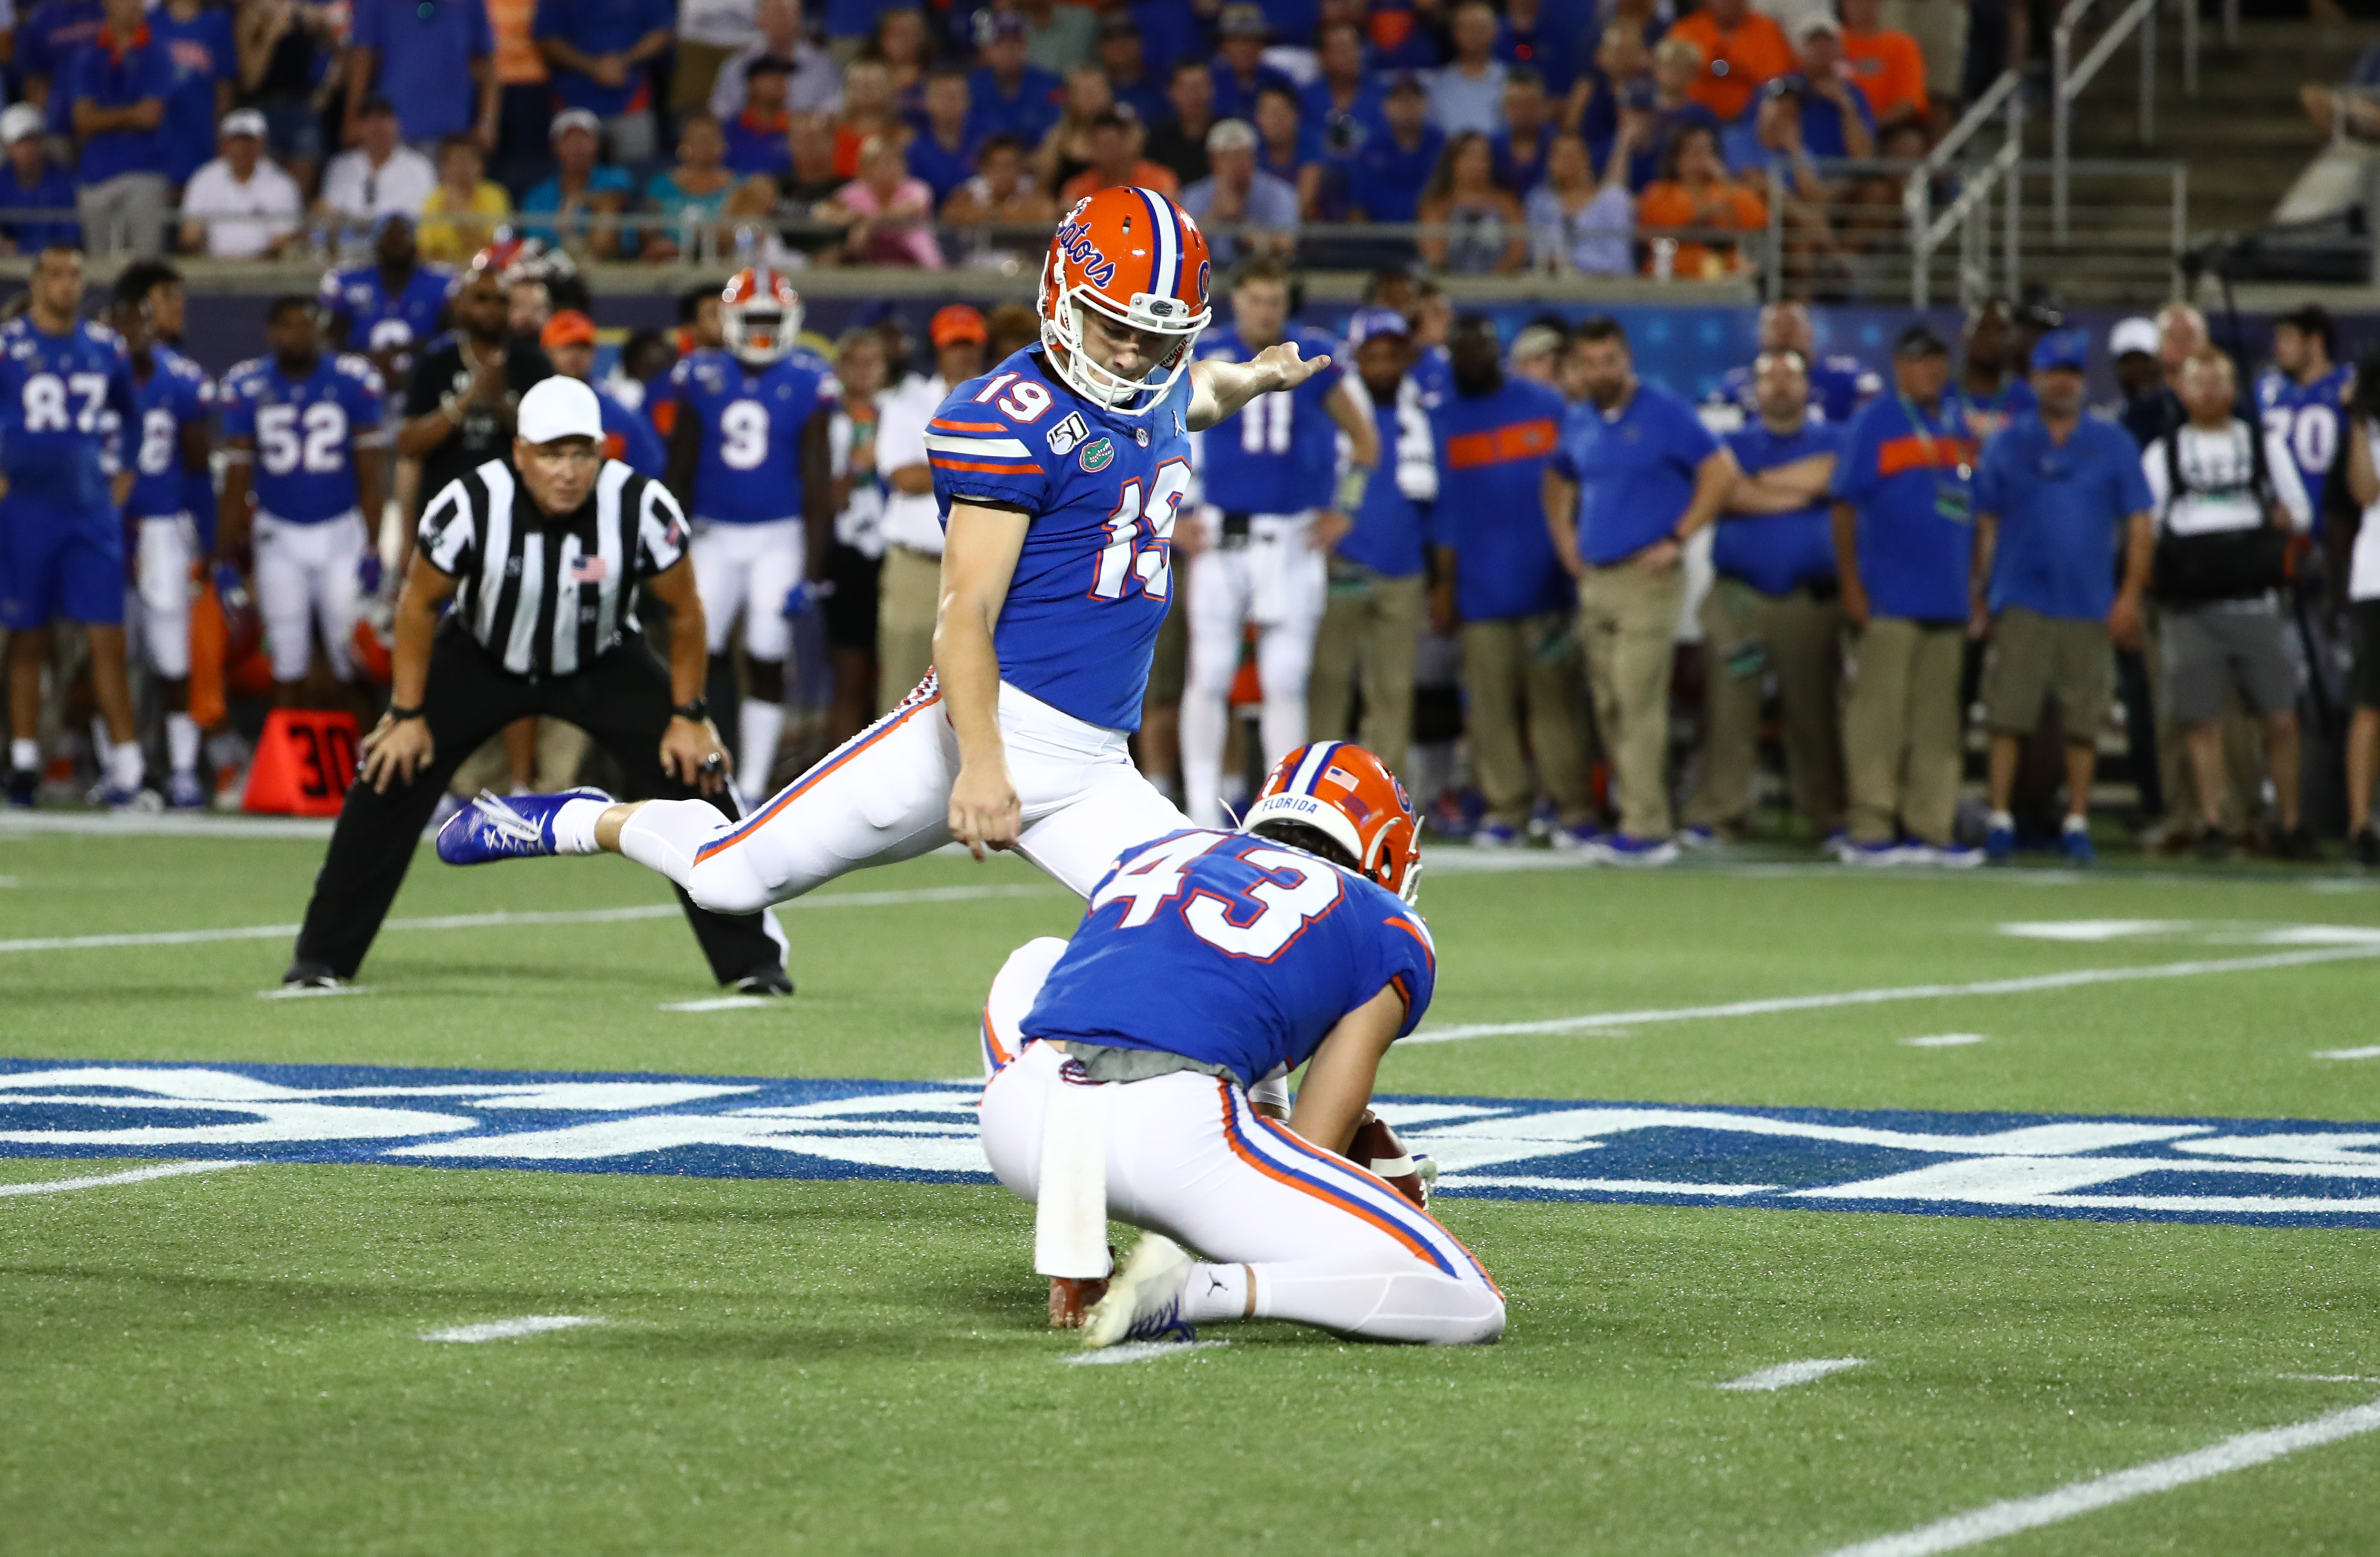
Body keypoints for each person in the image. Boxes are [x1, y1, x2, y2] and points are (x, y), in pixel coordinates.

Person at [431, 187, 1328, 999]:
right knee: (730, 877)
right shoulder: (1009, 416)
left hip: (1095, 763)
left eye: (1156, 334)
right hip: (983, 729)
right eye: (1114, 328)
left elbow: (1194, 391)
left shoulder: (1155, 378)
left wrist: (1257, 375)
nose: (1134, 353)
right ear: (1062, 297)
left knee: (1214, 938)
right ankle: (579, 819)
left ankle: (1295, 1136)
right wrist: (981, 761)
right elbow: (964, 614)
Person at [974, 743, 1504, 1352]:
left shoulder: (1166, 849)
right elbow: (1311, 1144)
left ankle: (1074, 1261)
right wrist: (1378, 1190)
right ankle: (1193, 1291)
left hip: (1026, 1124)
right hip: (1172, 1138)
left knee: (1036, 959)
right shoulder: (1386, 922)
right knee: (1470, 1300)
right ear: (1385, 850)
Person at [287, 377, 792, 995]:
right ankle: (321, 958)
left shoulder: (641, 505)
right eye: (552, 455)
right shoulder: (469, 503)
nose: (567, 471)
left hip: (601, 660)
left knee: (696, 774)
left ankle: (752, 964)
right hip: (482, 656)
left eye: (581, 454)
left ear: (603, 453)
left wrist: (689, 714)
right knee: (389, 770)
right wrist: (406, 712)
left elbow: (684, 611)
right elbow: (418, 605)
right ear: (520, 453)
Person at [1182, 254, 1379, 828]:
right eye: (1256, 299)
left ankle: (1276, 813)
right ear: (1236, 299)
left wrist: (1344, 510)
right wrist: (1170, 517)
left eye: (1274, 300)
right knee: (1210, 673)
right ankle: (1200, 814)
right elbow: (1155, 433)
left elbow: (1364, 442)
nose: (1266, 311)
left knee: (1285, 679)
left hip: (1292, 536)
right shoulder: (1204, 350)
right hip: (1219, 532)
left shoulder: (1314, 356)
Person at [1544, 316, 1733, 864]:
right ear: (1577, 367)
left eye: (1610, 360)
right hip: (1596, 578)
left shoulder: (1665, 411)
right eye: (1590, 362)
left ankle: (1645, 825)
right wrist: (1564, 539)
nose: (1601, 371)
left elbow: (1719, 473)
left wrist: (1677, 538)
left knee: (1636, 698)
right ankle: (1632, 809)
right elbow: (1556, 477)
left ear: (1626, 359)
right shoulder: (1579, 419)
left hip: (1646, 578)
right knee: (1607, 702)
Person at [1970, 329, 2156, 866]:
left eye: (2071, 373)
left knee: (2082, 718)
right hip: (2020, 596)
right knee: (2007, 714)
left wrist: (2128, 595)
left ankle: (2076, 818)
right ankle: (2001, 817)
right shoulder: (2007, 441)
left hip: (2086, 599)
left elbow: (2139, 523)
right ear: (2033, 380)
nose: (2061, 382)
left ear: (2082, 380)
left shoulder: (2112, 442)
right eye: (2053, 373)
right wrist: (1979, 590)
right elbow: (1984, 519)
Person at [648, 268, 835, 784]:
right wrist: (667, 544)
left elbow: (818, 483)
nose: (760, 331)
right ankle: (690, 764)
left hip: (779, 535)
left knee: (767, 651)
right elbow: (678, 470)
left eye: (769, 320)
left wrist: (812, 571)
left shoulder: (808, 378)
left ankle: (751, 784)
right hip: (712, 532)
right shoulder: (699, 374)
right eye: (751, 319)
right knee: (694, 646)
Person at [2142, 350, 2316, 861]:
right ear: (2182, 390)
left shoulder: (2263, 446)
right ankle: (2213, 821)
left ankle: (2287, 820)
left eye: (2221, 381)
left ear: (2235, 388)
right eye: (2201, 382)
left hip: (2254, 600)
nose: (2212, 391)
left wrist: (2282, 520)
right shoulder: (2164, 452)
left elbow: (2300, 512)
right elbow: (2148, 523)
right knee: (2202, 718)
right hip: (2192, 602)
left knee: (2280, 717)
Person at [1681, 346, 1847, 848]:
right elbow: (1722, 490)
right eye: (1768, 377)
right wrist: (1799, 492)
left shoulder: (1834, 437)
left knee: (1814, 711)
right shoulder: (1728, 442)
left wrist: (1755, 486)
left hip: (1810, 602)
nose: (1778, 385)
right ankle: (1720, 811)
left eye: (1789, 377)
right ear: (1753, 389)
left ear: (1807, 387)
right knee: (1730, 710)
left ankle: (1827, 813)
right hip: (1739, 598)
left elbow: (1832, 475)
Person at [1436, 316, 1590, 846]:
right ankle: (1506, 810)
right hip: (1479, 592)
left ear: (1497, 351)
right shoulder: (1444, 419)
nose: (1473, 356)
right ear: (1452, 355)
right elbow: (1445, 516)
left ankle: (1571, 807)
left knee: (1556, 707)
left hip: (1548, 586)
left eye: (1481, 346)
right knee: (1491, 710)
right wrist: (1445, 586)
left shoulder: (1547, 406)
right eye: (1463, 348)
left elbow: (1579, 486)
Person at [1831, 325, 1982, 866]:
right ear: (1899, 367)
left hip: (1947, 599)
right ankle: (1871, 826)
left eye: (1939, 361)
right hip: (1888, 597)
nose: (1932, 372)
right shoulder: (1875, 422)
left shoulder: (1957, 426)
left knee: (1938, 724)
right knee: (1877, 719)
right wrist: (1850, 582)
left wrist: (1976, 588)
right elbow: (1844, 506)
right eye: (1920, 362)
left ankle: (1930, 827)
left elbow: (1973, 512)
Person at [0, 248, 142, 810]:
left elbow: (131, 416)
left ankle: (128, 767)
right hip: (27, 508)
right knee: (28, 637)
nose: (66, 285)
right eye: (55, 275)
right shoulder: (8, 344)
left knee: (106, 635)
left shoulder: (106, 346)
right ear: (36, 283)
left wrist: (124, 479)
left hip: (88, 508)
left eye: (75, 275)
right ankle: (26, 762)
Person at [217, 297, 388, 707]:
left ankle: (366, 764)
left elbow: (371, 475)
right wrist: (223, 557)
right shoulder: (247, 385)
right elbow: (236, 479)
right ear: (272, 333)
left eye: (307, 323)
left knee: (353, 653)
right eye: (289, 325)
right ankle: (289, 765)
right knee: (286, 657)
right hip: (278, 533)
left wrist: (374, 546)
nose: (299, 333)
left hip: (341, 531)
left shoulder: (353, 380)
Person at [1310, 307, 1434, 788]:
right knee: (1328, 686)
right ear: (1355, 356)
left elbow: (1434, 498)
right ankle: (1316, 795)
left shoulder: (1424, 409)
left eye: (1392, 355)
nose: (1383, 366)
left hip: (1403, 570)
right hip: (1340, 566)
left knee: (1393, 693)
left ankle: (1383, 800)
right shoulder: (1330, 408)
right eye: (1373, 355)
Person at [107, 279, 215, 809]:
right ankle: (118, 768)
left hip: (162, 527)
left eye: (140, 322)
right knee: (108, 654)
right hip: (100, 525)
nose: (130, 335)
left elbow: (197, 470)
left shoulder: (180, 379)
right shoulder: (88, 378)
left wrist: (211, 541)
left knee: (172, 657)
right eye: (121, 324)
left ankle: (182, 769)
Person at [395, 260, 553, 557]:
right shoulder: (434, 363)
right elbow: (409, 445)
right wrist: (465, 402)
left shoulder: (534, 364)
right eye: (481, 299)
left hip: (517, 518)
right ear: (460, 306)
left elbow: (549, 443)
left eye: (501, 301)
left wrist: (500, 402)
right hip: (446, 516)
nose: (491, 308)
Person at [872, 303, 986, 711]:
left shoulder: (1002, 402)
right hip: (918, 566)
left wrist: (940, 464)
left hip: (982, 566)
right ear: (937, 349)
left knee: (976, 694)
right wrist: (982, 466)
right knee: (903, 692)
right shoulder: (908, 403)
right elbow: (905, 478)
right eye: (954, 345)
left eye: (970, 344)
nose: (963, 354)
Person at [821, 327, 888, 747]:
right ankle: (836, 776)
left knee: (895, 673)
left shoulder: (906, 414)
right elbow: (816, 500)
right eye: (854, 361)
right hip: (845, 554)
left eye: (872, 361)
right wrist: (853, 469)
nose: (863, 370)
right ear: (840, 368)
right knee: (850, 673)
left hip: (894, 553)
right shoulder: (822, 422)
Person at [68, 0, 176, 257]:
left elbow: (150, 116)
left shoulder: (157, 52)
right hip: (96, 176)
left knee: (145, 269)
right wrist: (132, 113)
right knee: (99, 270)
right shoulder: (88, 55)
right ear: (109, 4)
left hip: (144, 172)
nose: (135, 5)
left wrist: (100, 117)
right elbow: (82, 121)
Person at [531, 0, 672, 164]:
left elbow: (662, 31)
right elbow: (546, 39)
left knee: (636, 174)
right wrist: (593, 67)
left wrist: (623, 62)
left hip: (631, 100)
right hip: (573, 104)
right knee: (573, 174)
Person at [346, 0, 497, 151]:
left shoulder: (471, 4)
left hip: (454, 135)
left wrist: (488, 121)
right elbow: (362, 60)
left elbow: (487, 65)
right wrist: (352, 118)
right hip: (391, 129)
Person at [2256, 304, 2352, 532]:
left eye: (2287, 338)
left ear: (2315, 341)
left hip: (2340, 523)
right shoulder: (2267, 390)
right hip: (2282, 528)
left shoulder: (2349, 386)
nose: (2278, 348)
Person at [1716, 302, 1882, 428]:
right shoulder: (1736, 384)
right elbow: (1717, 441)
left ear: (1810, 333)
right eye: (1777, 326)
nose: (1785, 335)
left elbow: (1874, 429)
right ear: (1762, 337)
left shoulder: (1850, 375)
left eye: (1792, 325)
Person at [541, 310, 663, 478]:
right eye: (566, 347)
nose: (575, 356)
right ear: (547, 353)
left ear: (594, 353)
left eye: (583, 347)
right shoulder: (534, 404)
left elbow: (651, 466)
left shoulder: (618, 412)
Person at [1635, 124, 1767, 279]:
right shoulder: (1661, 191)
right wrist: (1703, 213)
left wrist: (1724, 179)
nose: (1702, 159)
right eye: (1695, 152)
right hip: (1672, 278)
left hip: (1721, 278)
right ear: (1677, 158)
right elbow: (1660, 221)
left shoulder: (1725, 191)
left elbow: (1757, 218)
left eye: (1707, 151)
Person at [318, 214, 454, 358]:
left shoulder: (444, 282)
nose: (396, 243)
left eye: (402, 236)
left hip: (426, 371)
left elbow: (455, 338)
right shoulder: (345, 280)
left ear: (416, 241)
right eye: (390, 237)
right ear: (376, 242)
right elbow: (331, 341)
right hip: (358, 371)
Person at [178, 108, 302, 259]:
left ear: (261, 143)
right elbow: (190, 234)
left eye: (249, 141)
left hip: (265, 268)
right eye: (236, 141)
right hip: (214, 267)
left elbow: (284, 238)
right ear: (224, 143)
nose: (243, 148)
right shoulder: (204, 179)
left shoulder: (281, 183)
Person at [2341, 394, 2380, 866]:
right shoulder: (2370, 434)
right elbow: (2364, 491)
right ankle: (2359, 824)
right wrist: (2357, 423)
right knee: (2372, 705)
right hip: (2378, 581)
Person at [1181, 119, 1300, 268]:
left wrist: (1239, 221)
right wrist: (1216, 213)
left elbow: (1286, 246)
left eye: (1243, 156)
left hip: (1265, 274)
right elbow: (1184, 248)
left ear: (1254, 158)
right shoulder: (1195, 195)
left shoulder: (1280, 193)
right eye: (1227, 157)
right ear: (1214, 161)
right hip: (1209, 276)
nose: (1237, 164)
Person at [519, 110, 637, 260]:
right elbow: (537, 243)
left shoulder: (617, 178)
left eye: (584, 139)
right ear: (556, 147)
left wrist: (578, 200)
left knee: (606, 209)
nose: (577, 147)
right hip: (557, 266)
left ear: (596, 145)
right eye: (569, 140)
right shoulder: (537, 197)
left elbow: (622, 198)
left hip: (611, 263)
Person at [817, 133, 944, 269]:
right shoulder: (855, 192)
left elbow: (912, 208)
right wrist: (852, 218)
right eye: (881, 163)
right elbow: (821, 211)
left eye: (894, 162)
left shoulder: (916, 188)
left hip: (919, 264)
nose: (889, 168)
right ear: (865, 168)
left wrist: (869, 223)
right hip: (871, 265)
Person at [152, 0, 239, 193]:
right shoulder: (149, 21)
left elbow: (224, 89)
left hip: (200, 133)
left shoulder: (218, 23)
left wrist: (219, 139)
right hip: (158, 133)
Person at [1346, 73, 1445, 235]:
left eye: (1413, 99)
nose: (1407, 106)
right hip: (1380, 240)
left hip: (1431, 236)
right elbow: (1357, 205)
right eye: (1400, 100)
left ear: (1425, 105)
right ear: (1386, 107)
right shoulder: (1371, 148)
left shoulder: (1440, 145)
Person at [1664, 0, 1792, 125]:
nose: (1727, 2)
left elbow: (1777, 81)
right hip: (1692, 120)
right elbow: (1669, 74)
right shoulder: (1687, 29)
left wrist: (1738, 71)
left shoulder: (1767, 30)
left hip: (1751, 120)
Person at [710, 0, 842, 121]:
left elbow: (834, 111)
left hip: (804, 141)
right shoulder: (737, 66)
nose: (778, 21)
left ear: (798, 18)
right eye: (770, 13)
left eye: (783, 14)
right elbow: (720, 111)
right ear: (758, 19)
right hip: (751, 139)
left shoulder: (823, 66)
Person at [1416, 130, 1526, 276]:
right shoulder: (1437, 205)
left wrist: (1492, 281)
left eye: (1484, 158)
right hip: (1451, 285)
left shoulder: (1506, 203)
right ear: (1454, 161)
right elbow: (1434, 254)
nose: (1479, 164)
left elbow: (1518, 250)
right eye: (1471, 156)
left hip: (1499, 287)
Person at [1526, 130, 1632, 276]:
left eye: (1574, 156)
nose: (1568, 163)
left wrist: (1576, 266)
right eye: (1561, 156)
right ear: (1550, 162)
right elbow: (1536, 253)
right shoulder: (1539, 201)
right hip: (1556, 288)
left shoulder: (1614, 199)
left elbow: (1619, 257)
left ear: (1587, 159)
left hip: (1608, 288)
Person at [640, 115, 745, 263]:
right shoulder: (661, 184)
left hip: (724, 262)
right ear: (683, 145)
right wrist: (657, 243)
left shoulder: (740, 186)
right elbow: (648, 227)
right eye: (698, 140)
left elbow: (744, 231)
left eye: (710, 140)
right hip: (670, 263)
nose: (704, 146)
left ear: (723, 145)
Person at [317, 96, 438, 224]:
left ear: (397, 125)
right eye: (371, 120)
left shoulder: (420, 166)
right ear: (360, 127)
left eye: (383, 120)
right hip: (351, 240)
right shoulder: (340, 166)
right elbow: (329, 210)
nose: (377, 127)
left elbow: (429, 215)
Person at [965, 11, 1064, 149]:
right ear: (989, 50)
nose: (1008, 51)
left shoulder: (1048, 83)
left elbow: (1055, 128)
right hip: (987, 161)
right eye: (1000, 44)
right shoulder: (974, 84)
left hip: (1037, 161)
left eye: (1015, 43)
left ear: (1025, 47)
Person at [0, 103, 84, 254]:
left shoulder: (66, 181)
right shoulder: (2, 182)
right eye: (20, 142)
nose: (27, 149)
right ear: (9, 147)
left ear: (42, 142)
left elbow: (71, 239)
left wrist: (21, 248)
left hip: (54, 266)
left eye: (32, 140)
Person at [416, 134, 511, 264]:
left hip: (485, 271)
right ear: (444, 167)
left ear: (480, 166)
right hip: (444, 271)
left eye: (467, 161)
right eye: (455, 162)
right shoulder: (433, 199)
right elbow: (425, 250)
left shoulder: (495, 195)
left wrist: (458, 215)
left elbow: (496, 246)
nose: (461, 168)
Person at [1838, 0, 1929, 131]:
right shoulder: (1829, 43)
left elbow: (1908, 103)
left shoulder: (1902, 45)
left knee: (1908, 144)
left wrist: (1867, 125)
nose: (1861, 6)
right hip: (1835, 126)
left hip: (1885, 129)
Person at [1058, 109, 1179, 205]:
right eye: (1101, 145)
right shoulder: (1077, 189)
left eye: (1112, 143)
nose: (1108, 151)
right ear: (1091, 147)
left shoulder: (1160, 181)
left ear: (1127, 142)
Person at [1428, 0, 1509, 137]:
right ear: (1455, 33)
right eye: (1467, 28)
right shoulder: (1440, 84)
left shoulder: (1509, 81)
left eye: (1479, 28)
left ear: (1495, 32)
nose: (1473, 35)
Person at [905, 66, 979, 208]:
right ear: (928, 102)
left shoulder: (984, 144)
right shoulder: (915, 152)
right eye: (944, 97)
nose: (950, 103)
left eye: (956, 97)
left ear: (967, 101)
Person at [1209, 4, 1296, 125]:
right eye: (1236, 41)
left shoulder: (1279, 83)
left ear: (1262, 45)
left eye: (1251, 40)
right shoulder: (1209, 83)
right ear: (1223, 47)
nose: (1244, 48)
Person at [721, 55, 798, 179]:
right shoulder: (729, 131)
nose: (780, 82)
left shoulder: (796, 130)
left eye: (784, 77)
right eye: (771, 76)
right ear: (752, 83)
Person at [1145, 59, 1217, 188]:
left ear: (1212, 89)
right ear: (1171, 92)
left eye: (1200, 86)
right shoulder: (1157, 139)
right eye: (1187, 87)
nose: (1195, 94)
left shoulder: (1226, 130)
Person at [1488, 66, 1555, 197]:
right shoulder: (1491, 145)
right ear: (1504, 106)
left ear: (1542, 105)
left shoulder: (1557, 141)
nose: (1522, 110)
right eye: (1515, 104)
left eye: (1529, 103)